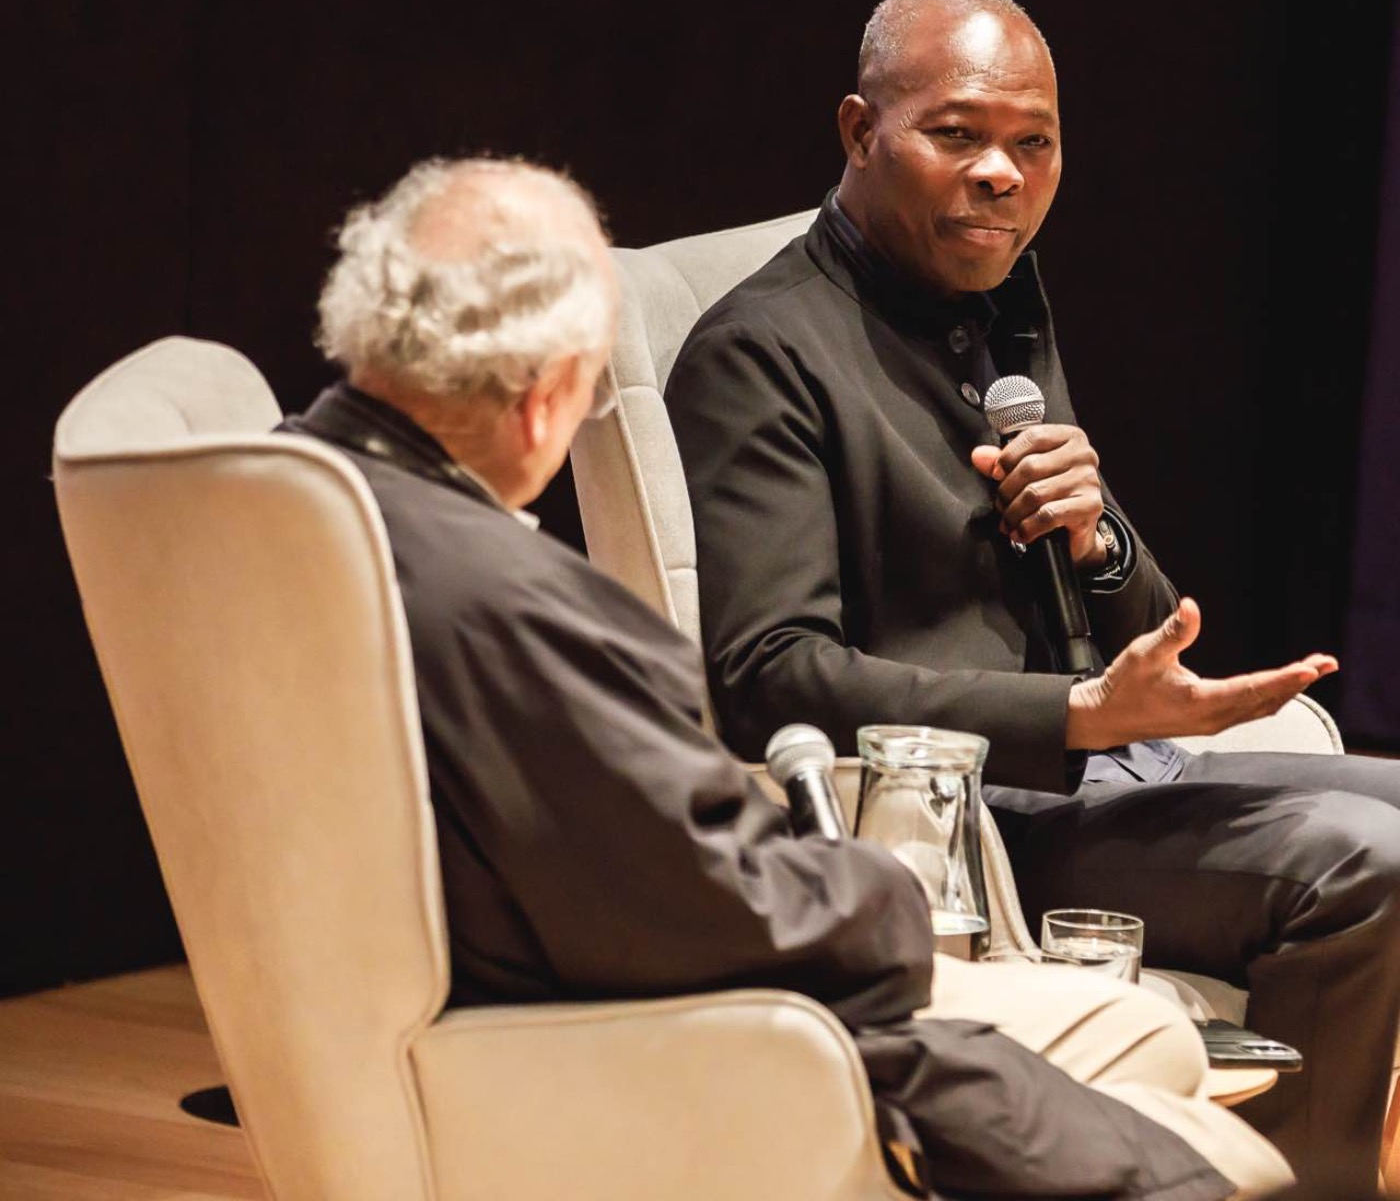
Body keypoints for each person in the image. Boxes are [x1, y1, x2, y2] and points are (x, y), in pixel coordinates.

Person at [282, 155, 1290, 1199]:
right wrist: (886, 894)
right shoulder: (510, 600)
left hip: (517, 1001)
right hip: (692, 1039)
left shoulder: (289, 504)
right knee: (1204, 1167)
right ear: (546, 403)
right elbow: (709, 903)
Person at [664, 0, 1400, 1191]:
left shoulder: (997, 304)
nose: (1000, 174)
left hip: (1103, 777)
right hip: (956, 823)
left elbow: (1128, 613)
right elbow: (765, 676)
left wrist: (1093, 538)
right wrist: (1071, 717)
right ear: (859, 131)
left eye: (1031, 142)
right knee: (1363, 859)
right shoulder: (761, 353)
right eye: (956, 134)